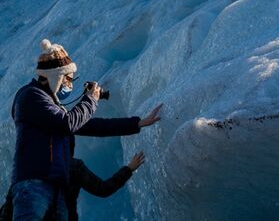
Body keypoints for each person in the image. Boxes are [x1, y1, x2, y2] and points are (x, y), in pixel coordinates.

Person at [10, 39, 162, 221]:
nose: (69, 84)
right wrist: (90, 99)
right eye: (67, 78)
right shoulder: (31, 96)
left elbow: (93, 125)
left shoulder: (51, 107)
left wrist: (136, 123)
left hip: (56, 184)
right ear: (53, 75)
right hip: (34, 182)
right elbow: (68, 124)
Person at [0, 152, 145, 221]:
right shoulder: (73, 166)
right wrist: (129, 169)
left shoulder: (27, 167)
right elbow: (103, 188)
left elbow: (8, 209)